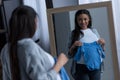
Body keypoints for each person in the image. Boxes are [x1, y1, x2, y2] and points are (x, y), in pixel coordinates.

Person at [0, 5, 69, 80]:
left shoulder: (5, 49)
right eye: (36, 21)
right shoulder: (28, 47)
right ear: (32, 23)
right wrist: (59, 64)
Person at [68, 9, 105, 80]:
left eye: (85, 19)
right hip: (81, 67)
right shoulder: (74, 33)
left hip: (96, 66)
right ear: (76, 21)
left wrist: (103, 44)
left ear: (89, 19)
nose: (83, 22)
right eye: (80, 19)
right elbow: (69, 55)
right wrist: (73, 46)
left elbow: (101, 50)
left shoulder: (94, 31)